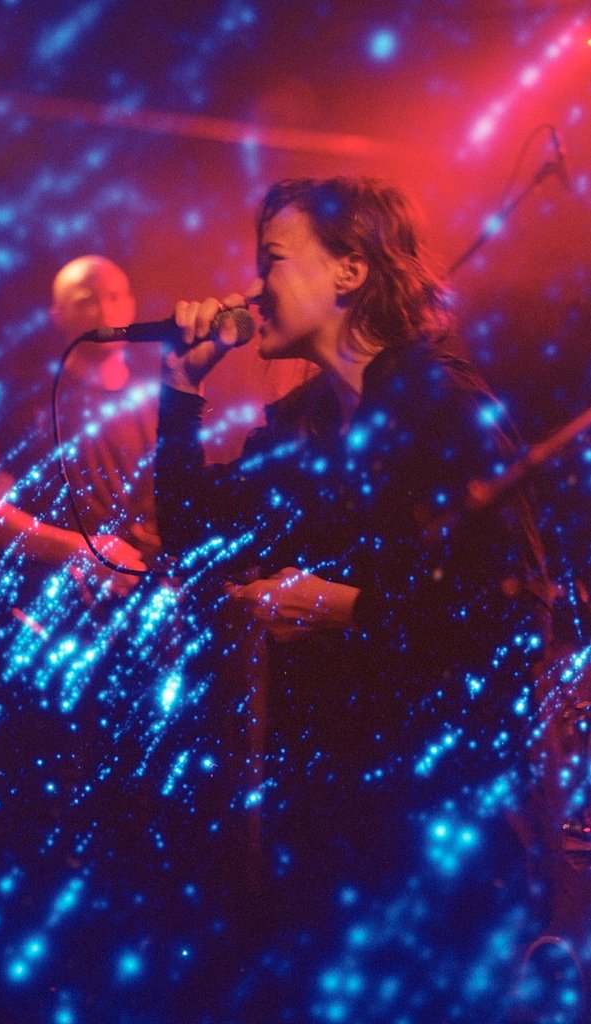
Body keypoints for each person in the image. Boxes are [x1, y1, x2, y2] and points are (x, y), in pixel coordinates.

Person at [154, 178, 554, 1021]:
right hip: (330, 823)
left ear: (348, 270)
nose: (253, 285)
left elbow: (517, 614)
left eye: (272, 258)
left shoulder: (443, 405)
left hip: (439, 827)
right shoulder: (306, 422)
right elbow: (192, 530)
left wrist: (343, 609)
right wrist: (179, 395)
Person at [0, 254, 160, 597]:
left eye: (115, 297)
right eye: (87, 301)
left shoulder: (158, 400)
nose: (105, 311)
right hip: (57, 601)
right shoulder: (24, 402)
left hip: (145, 598)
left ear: (131, 305)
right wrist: (78, 550)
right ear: (58, 315)